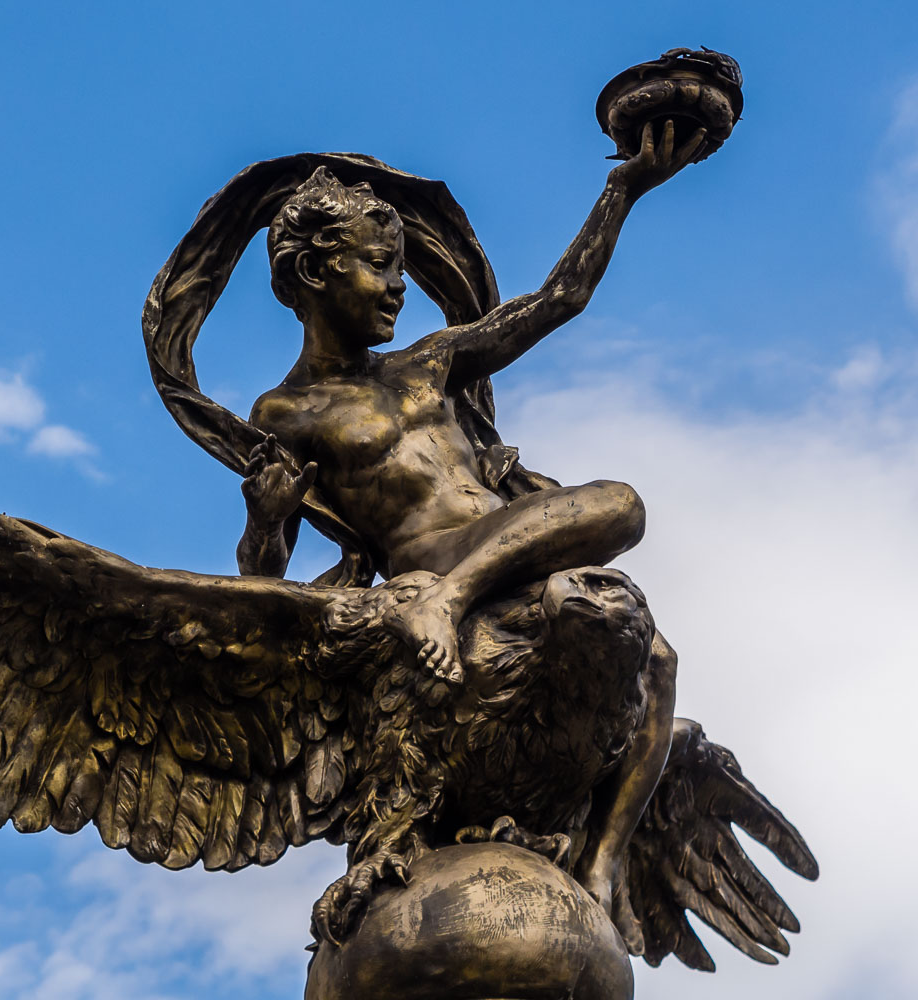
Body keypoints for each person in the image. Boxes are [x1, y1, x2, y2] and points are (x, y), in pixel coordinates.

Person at [235, 121, 700, 911]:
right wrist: (265, 522)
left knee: (653, 651)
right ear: (314, 270)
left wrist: (621, 190)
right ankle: (445, 602)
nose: (398, 287)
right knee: (619, 513)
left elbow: (561, 299)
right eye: (378, 266)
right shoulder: (283, 412)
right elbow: (264, 590)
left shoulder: (431, 361)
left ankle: (603, 865)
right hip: (429, 567)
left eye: (402, 268)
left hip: (510, 553)